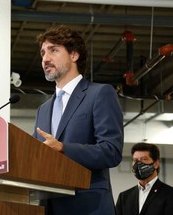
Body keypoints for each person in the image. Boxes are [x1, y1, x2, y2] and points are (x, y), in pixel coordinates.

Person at [33, 25, 124, 215]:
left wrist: (63, 148)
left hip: (88, 207)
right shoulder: (43, 110)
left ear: (74, 55)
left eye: (53, 50)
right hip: (49, 207)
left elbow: (111, 151)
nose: (45, 59)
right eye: (43, 53)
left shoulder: (99, 93)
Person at [116, 142, 173, 215]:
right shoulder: (124, 197)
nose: (138, 164)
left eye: (143, 159)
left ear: (156, 164)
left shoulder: (171, 194)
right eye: (135, 160)